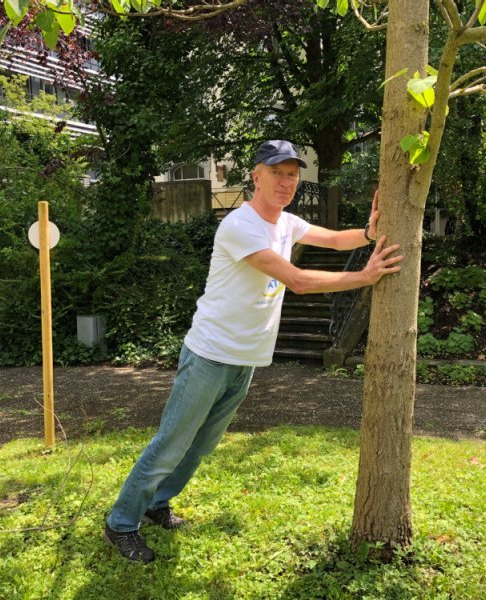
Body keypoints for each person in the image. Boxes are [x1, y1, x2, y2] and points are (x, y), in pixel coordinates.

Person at [104, 139, 403, 563]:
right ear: (256, 175)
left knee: (201, 445)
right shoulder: (240, 226)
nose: (286, 182)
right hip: (210, 354)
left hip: (245, 358)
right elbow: (297, 280)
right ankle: (121, 524)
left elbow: (335, 239)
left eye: (292, 175)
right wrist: (364, 276)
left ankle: (157, 502)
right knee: (172, 442)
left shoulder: (286, 223)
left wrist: (369, 232)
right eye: (277, 172)